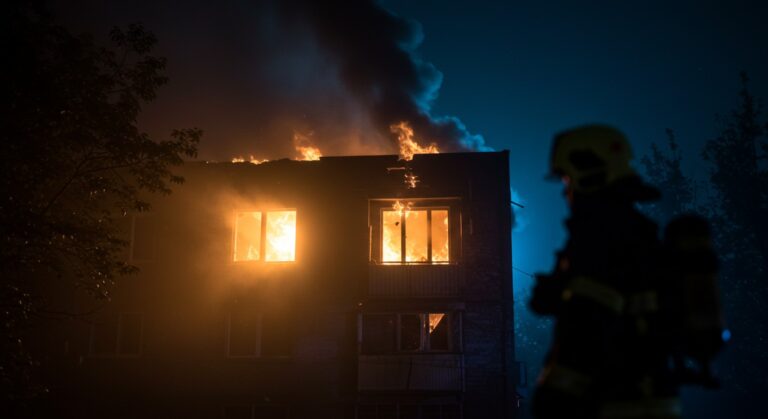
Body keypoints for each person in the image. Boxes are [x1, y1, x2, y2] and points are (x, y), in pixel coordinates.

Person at [530, 125, 682, 419]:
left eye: (567, 177)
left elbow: (589, 323)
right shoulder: (637, 232)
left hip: (613, 402)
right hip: (654, 399)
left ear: (590, 173)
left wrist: (553, 397)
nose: (565, 190)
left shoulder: (603, 236)